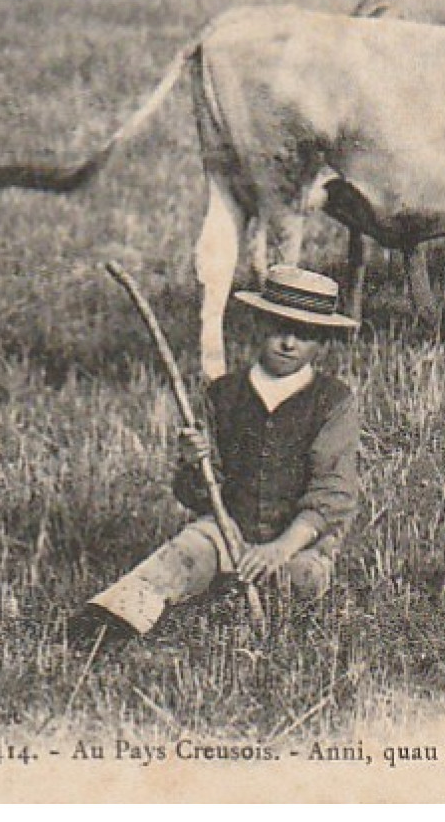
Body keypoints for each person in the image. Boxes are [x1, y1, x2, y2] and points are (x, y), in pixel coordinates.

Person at [71, 265, 362, 646]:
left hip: (298, 542)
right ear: (259, 324)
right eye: (278, 328)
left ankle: (246, 611)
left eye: (304, 334)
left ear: (322, 341)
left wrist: (280, 548)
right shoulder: (224, 394)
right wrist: (195, 464)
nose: (288, 343)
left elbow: (333, 492)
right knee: (176, 559)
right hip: (226, 531)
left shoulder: (333, 401)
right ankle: (106, 624)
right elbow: (198, 495)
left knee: (300, 583)